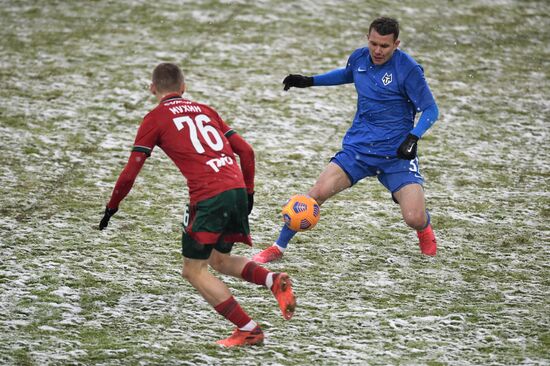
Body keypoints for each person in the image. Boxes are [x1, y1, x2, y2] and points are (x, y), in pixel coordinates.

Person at [99, 63, 296, 347]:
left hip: (208, 196)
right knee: (220, 260)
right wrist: (248, 192)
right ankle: (272, 280)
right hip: (236, 187)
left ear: (152, 88)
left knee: (193, 270)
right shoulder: (206, 110)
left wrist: (112, 205)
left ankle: (248, 329)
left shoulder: (154, 118)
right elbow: (246, 151)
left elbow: (132, 169)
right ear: (184, 88)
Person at [253, 17, 439, 263]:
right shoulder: (360, 58)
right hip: (358, 150)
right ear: (367, 39)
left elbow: (431, 109)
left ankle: (424, 230)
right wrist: (309, 81)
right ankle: (278, 247)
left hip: (396, 156)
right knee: (315, 194)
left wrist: (413, 137)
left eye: (384, 46)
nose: (377, 51)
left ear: (397, 44)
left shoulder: (408, 70)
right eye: (373, 43)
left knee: (413, 217)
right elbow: (347, 74)